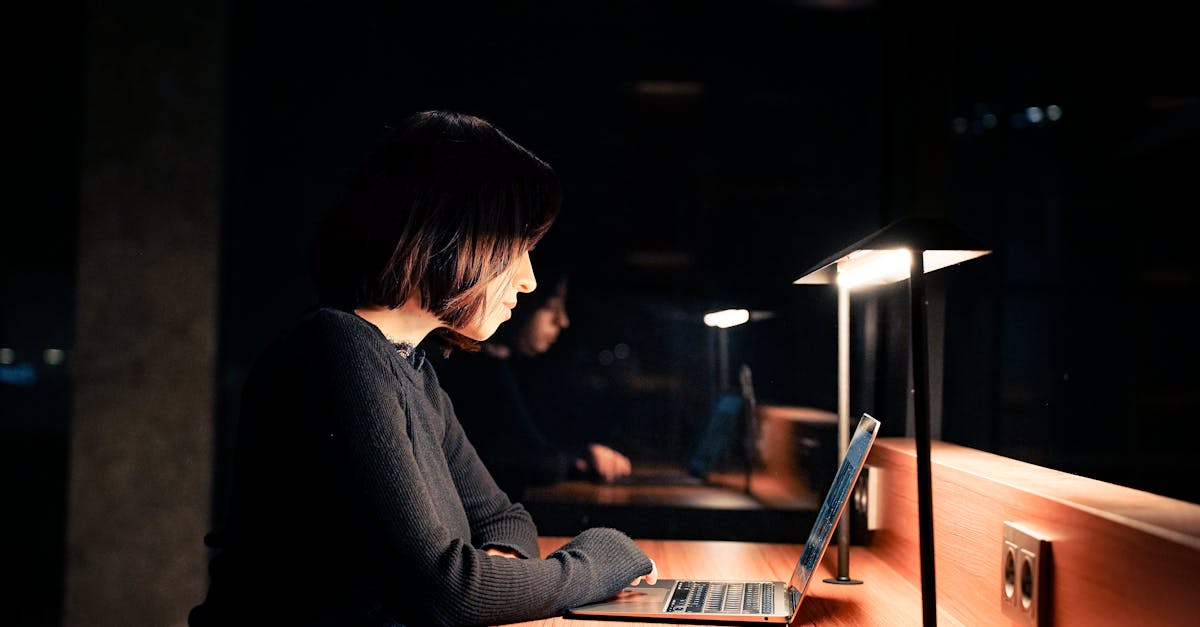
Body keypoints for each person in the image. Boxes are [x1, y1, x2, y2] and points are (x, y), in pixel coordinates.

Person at [189, 111, 656, 627]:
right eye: (520, 249)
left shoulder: (408, 364)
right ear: (455, 233)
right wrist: (601, 559)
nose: (527, 280)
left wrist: (491, 583)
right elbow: (453, 591)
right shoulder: (335, 350)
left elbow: (504, 520)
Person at [431, 261, 632, 502]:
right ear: (519, 301)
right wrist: (574, 460)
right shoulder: (475, 371)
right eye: (550, 306)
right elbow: (511, 459)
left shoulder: (509, 368)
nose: (563, 320)